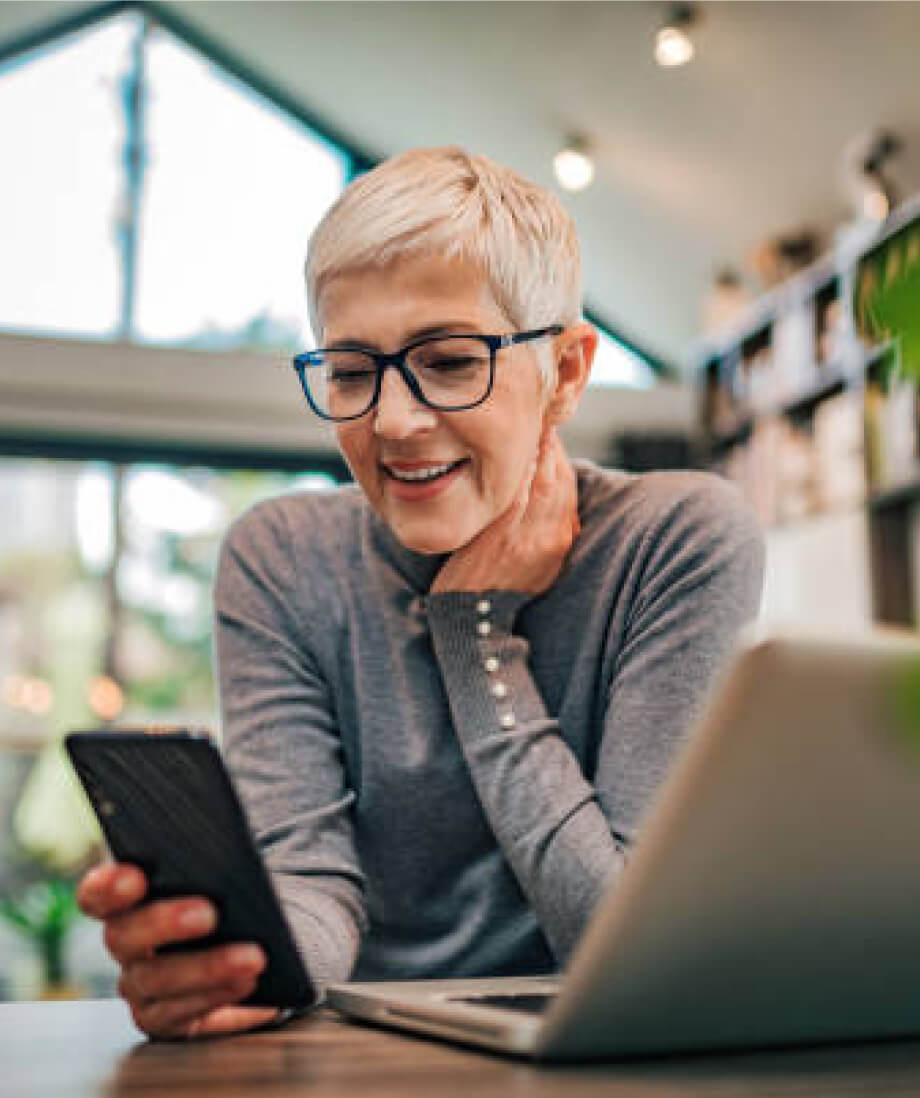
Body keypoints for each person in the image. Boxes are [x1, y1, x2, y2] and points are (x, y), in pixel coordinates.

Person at [78, 147, 764, 1039]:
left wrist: (474, 632)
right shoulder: (283, 559)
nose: (394, 422)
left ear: (564, 372)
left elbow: (620, 944)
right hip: (366, 1065)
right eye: (353, 372)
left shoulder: (675, 541)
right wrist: (239, 962)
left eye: (448, 361)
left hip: (607, 1067)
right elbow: (314, 885)